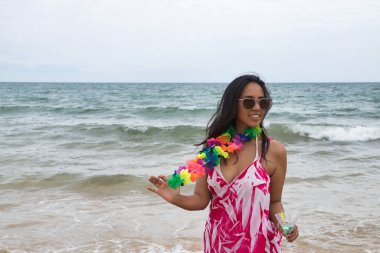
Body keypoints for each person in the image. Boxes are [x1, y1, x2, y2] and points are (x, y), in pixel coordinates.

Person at [148, 74, 299, 252]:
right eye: (249, 102)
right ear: (233, 104)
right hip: (218, 244)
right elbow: (201, 200)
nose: (257, 108)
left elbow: (274, 202)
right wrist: (176, 199)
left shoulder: (273, 151)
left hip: (257, 246)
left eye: (263, 102)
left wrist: (284, 225)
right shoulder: (213, 150)